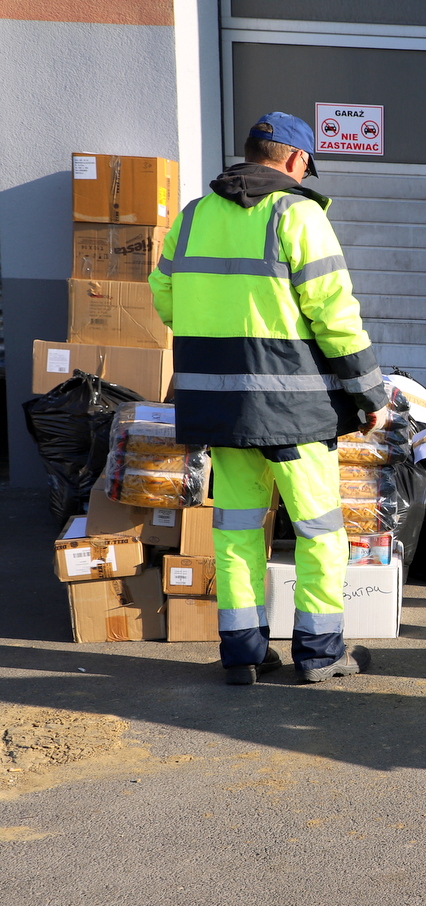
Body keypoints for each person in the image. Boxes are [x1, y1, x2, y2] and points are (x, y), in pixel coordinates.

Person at [150, 112, 387, 685]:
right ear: (295, 161)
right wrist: (369, 388)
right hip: (293, 410)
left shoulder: (194, 215)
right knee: (320, 531)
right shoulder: (296, 213)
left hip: (222, 409)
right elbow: (333, 312)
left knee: (235, 531)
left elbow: (162, 295)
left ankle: (243, 651)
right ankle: (319, 652)